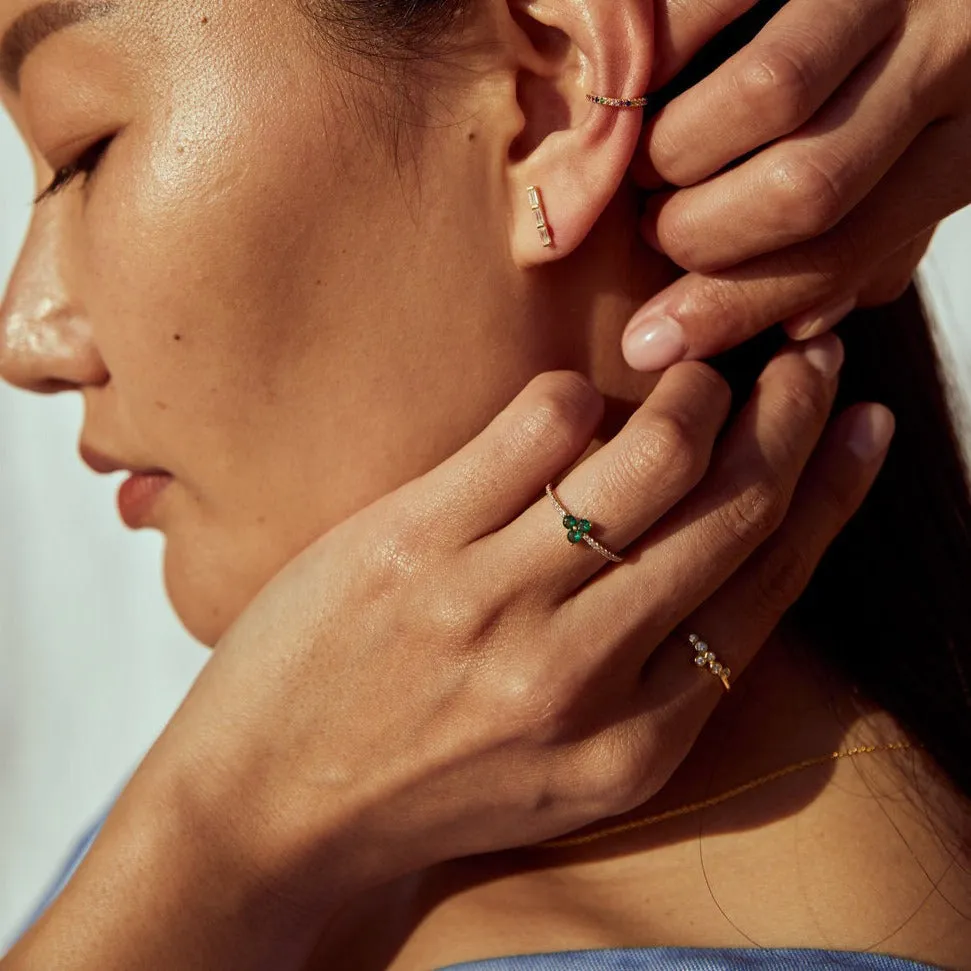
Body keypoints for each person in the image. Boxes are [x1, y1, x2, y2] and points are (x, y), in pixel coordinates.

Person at [0, 0, 969, 969]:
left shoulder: (244, 816)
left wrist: (207, 847)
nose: (25, 335)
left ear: (549, 104)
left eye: (83, 150)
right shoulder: (309, 767)